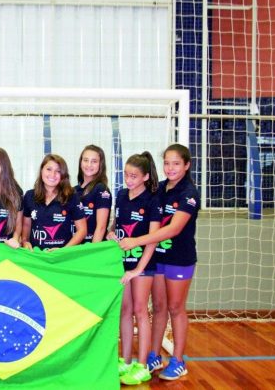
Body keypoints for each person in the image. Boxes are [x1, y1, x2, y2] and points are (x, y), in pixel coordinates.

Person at [118, 144, 200, 381]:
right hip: (158, 258)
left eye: (176, 163)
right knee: (159, 307)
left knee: (176, 307)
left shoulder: (189, 194)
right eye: (167, 163)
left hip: (179, 259)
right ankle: (153, 355)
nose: (171, 168)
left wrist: (136, 241)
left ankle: (178, 360)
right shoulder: (159, 190)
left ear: (187, 165)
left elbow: (173, 229)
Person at [106, 152, 161, 385]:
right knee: (125, 310)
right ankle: (126, 360)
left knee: (140, 310)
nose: (129, 180)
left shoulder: (152, 200)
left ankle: (142, 365)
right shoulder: (121, 195)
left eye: (134, 176)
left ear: (145, 177)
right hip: (122, 263)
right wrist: (110, 232)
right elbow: (117, 223)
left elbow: (153, 238)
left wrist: (139, 269)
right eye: (126, 175)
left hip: (143, 265)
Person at [21, 154, 87, 251]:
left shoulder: (72, 196)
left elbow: (82, 230)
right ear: (41, 170)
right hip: (36, 256)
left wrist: (63, 250)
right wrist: (24, 241)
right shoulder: (29, 196)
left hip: (61, 258)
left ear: (63, 175)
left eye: (58, 171)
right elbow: (26, 225)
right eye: (49, 169)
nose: (52, 174)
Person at [74, 145, 112, 243]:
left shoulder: (102, 190)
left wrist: (92, 252)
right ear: (80, 162)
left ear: (101, 164)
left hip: (92, 249)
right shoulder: (73, 191)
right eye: (85, 160)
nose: (89, 165)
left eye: (94, 161)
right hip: (74, 250)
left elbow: (101, 227)